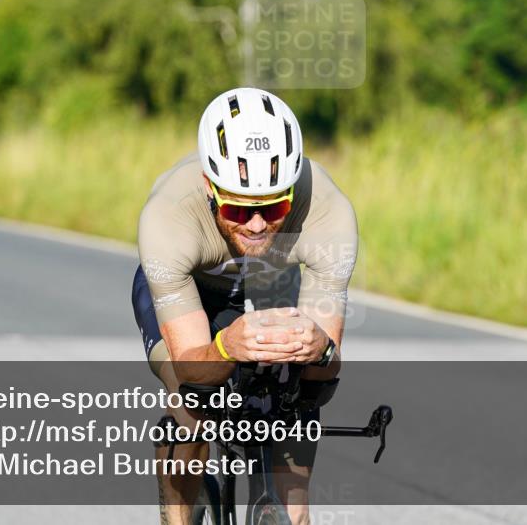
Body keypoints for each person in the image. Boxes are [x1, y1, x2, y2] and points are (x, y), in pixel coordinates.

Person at [133, 87, 358, 525]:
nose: (257, 225)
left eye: (275, 207)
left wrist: (321, 350)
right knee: (192, 403)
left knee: (299, 402)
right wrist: (224, 348)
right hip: (196, 291)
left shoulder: (330, 213)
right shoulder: (167, 219)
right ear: (209, 188)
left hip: (278, 284)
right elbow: (193, 365)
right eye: (238, 210)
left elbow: (324, 378)